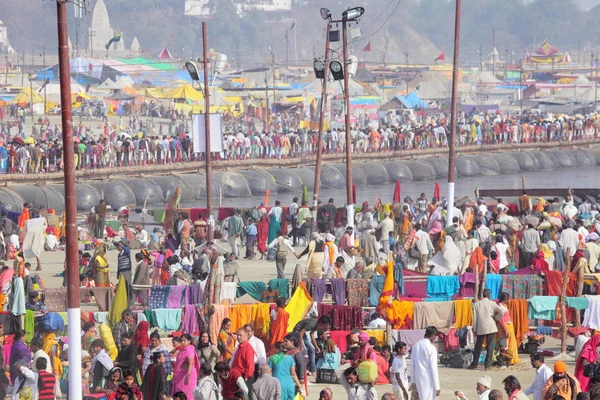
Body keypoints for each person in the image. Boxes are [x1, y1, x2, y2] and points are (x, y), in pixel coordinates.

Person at [469, 289, 505, 370]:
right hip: (491, 326)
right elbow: (502, 311)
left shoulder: (477, 304)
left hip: (481, 327)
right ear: (489, 295)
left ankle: (474, 364)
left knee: (478, 346)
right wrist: (496, 318)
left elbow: (474, 318)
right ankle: (487, 365)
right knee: (490, 346)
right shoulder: (492, 303)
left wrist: (474, 328)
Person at [410, 326, 440, 400]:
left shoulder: (415, 346)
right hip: (428, 379)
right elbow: (433, 368)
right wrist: (437, 386)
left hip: (418, 378)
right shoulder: (431, 348)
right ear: (432, 335)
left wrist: (413, 382)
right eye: (435, 336)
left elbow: (412, 365)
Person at [172, 334, 201, 399]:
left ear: (189, 341)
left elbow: (191, 363)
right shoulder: (183, 350)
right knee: (179, 394)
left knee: (187, 395)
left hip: (187, 377)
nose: (182, 342)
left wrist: (188, 376)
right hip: (180, 376)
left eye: (184, 340)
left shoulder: (189, 350)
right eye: (181, 341)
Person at [496, 292, 520, 365]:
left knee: (511, 342)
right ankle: (506, 360)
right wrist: (505, 330)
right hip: (504, 326)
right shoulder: (499, 307)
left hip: (509, 325)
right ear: (505, 299)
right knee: (504, 344)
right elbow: (500, 320)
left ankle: (511, 358)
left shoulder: (504, 305)